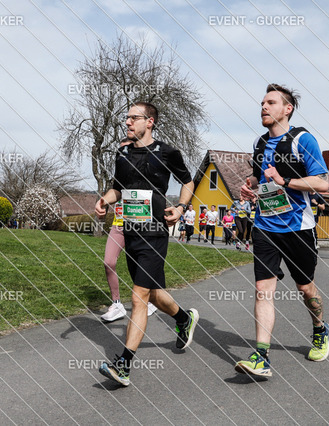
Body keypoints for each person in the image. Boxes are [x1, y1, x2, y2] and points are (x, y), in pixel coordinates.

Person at [95, 101, 199, 387]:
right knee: (152, 294)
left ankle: (124, 365)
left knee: (138, 296)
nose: (128, 122)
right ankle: (184, 319)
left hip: (154, 232)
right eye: (126, 118)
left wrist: (180, 208)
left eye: (134, 118)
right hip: (130, 232)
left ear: (150, 121)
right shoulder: (123, 153)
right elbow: (118, 188)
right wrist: (104, 200)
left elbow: (188, 181)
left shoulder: (167, 152)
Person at [235, 84, 329, 378]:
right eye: (262, 103)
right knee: (263, 290)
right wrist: (249, 186)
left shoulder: (302, 140)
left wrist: (285, 181)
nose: (263, 107)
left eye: (270, 102)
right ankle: (261, 357)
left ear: (287, 109)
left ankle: (320, 329)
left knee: (305, 288)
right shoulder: (259, 143)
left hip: (297, 227)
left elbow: (322, 183)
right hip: (265, 226)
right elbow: (257, 176)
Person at [102, 199, 158, 321]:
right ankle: (117, 304)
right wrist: (102, 203)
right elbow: (114, 193)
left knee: (139, 264)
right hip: (118, 225)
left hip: (139, 225)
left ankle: (149, 300)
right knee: (109, 262)